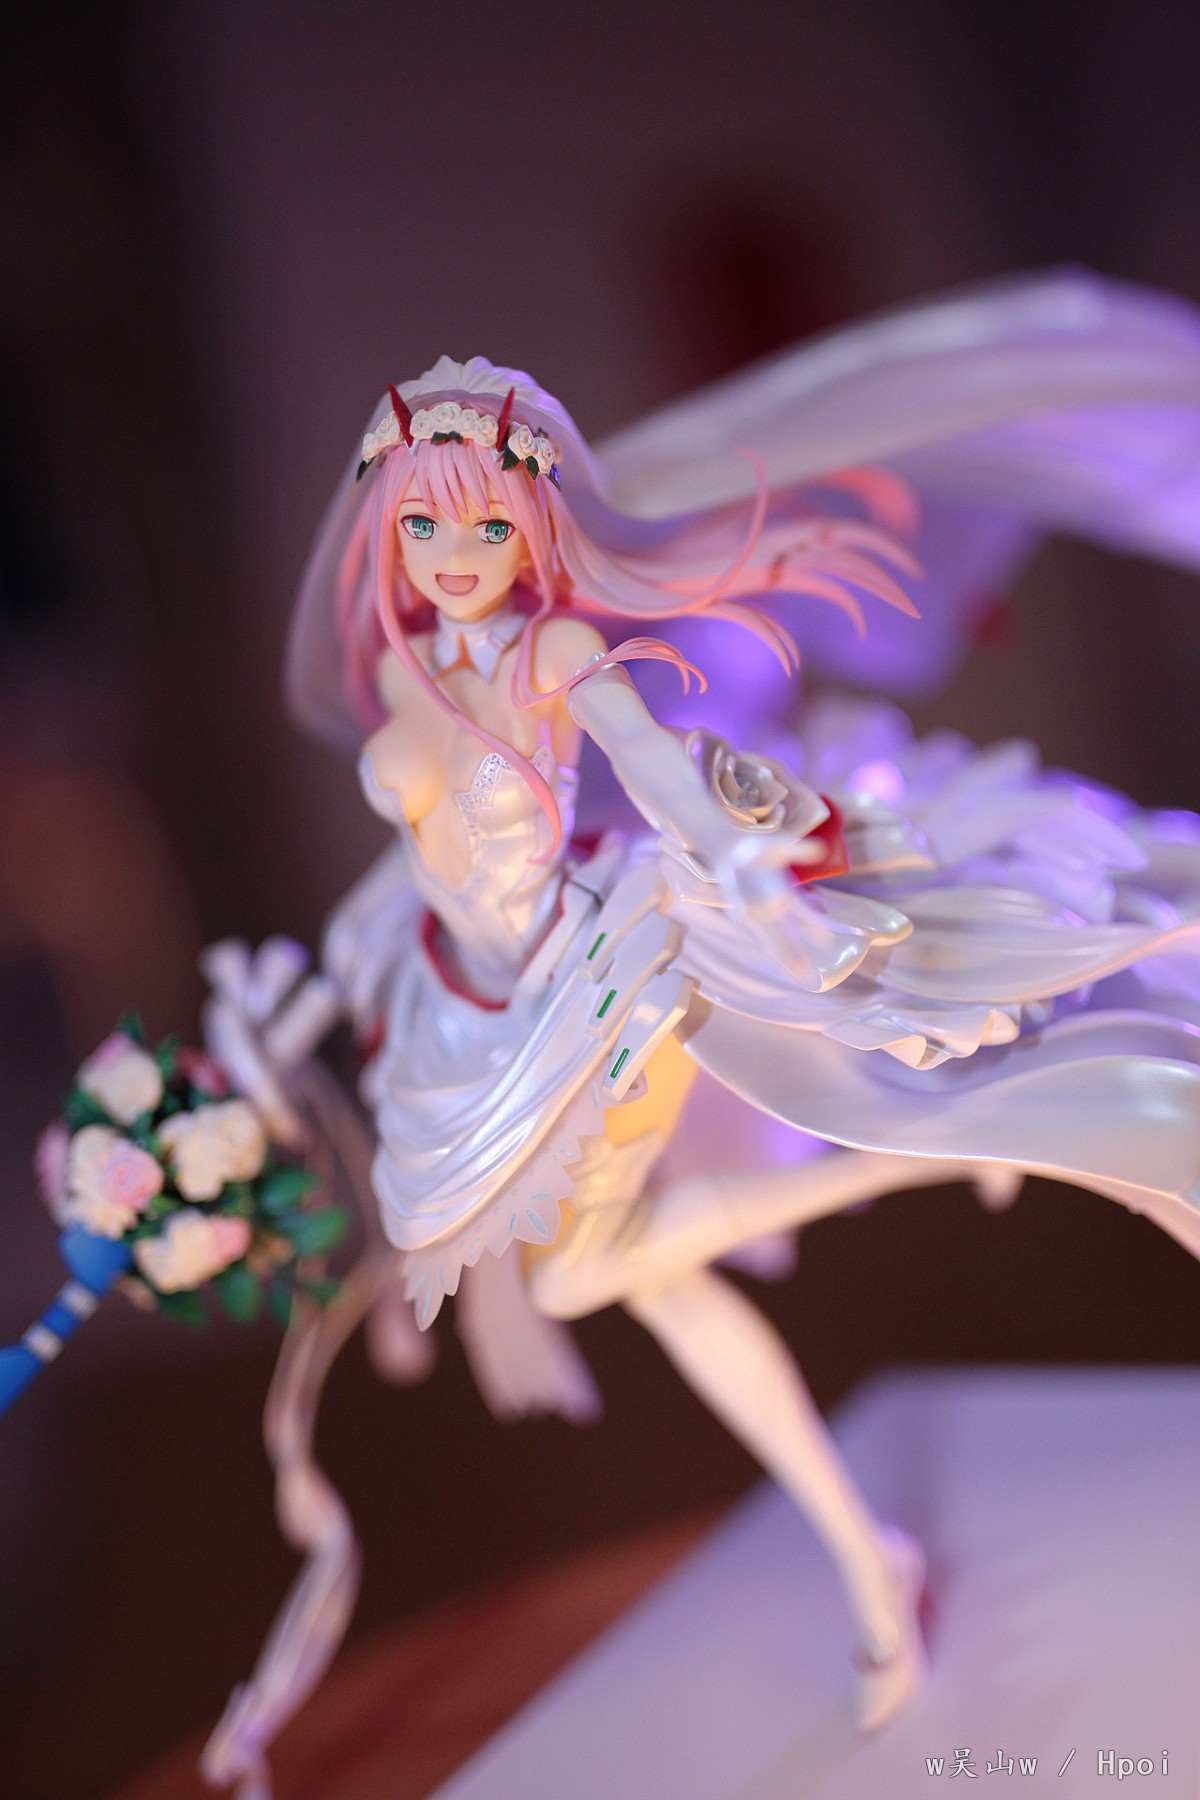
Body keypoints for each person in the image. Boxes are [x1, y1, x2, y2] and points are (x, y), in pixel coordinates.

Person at [206, 273, 1200, 1797]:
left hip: (597, 979)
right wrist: (302, 997)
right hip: (462, 1009)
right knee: (650, 1281)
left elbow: (658, 771)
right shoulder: (407, 669)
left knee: (598, 1271)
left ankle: (897, 1201)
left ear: (534, 531)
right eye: (424, 529)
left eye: (487, 530)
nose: (456, 559)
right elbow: (410, 864)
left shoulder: (549, 662)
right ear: (384, 536)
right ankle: (871, 1564)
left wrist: (729, 846)